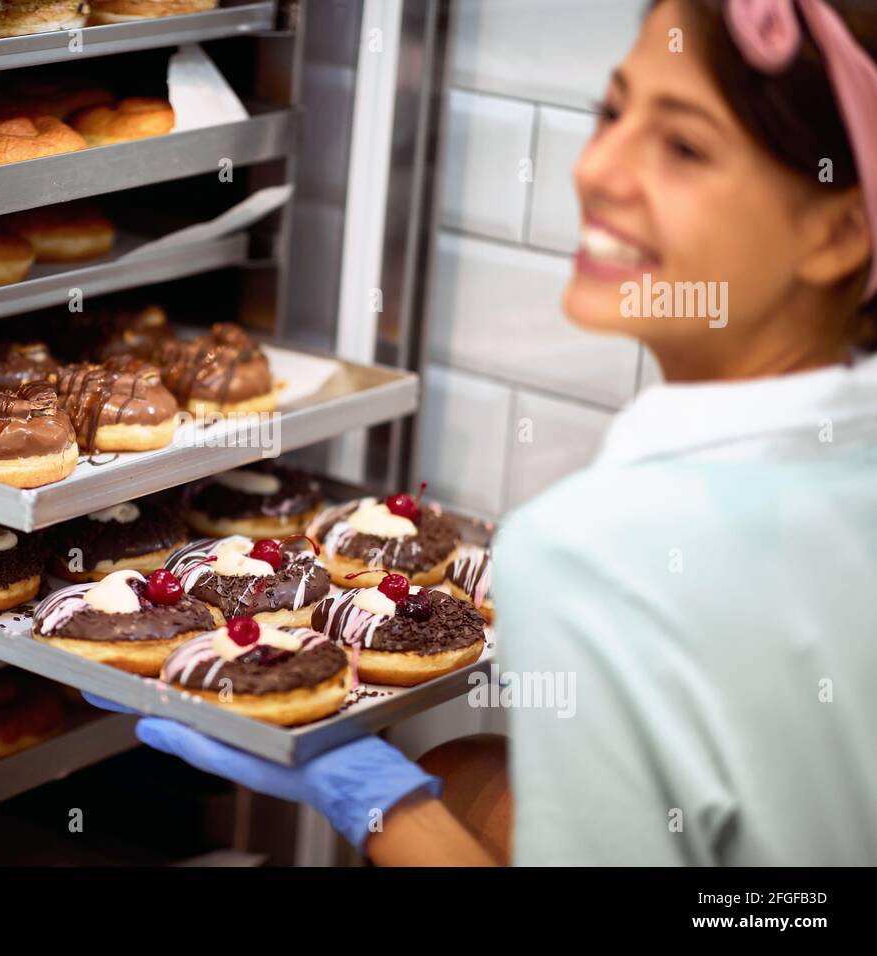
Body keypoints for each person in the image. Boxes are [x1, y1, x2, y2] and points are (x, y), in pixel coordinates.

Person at [94, 0, 877, 865]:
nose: (598, 171)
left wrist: (373, 797)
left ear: (839, 231)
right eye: (613, 113)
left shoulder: (598, 556)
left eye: (685, 147)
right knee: (471, 771)